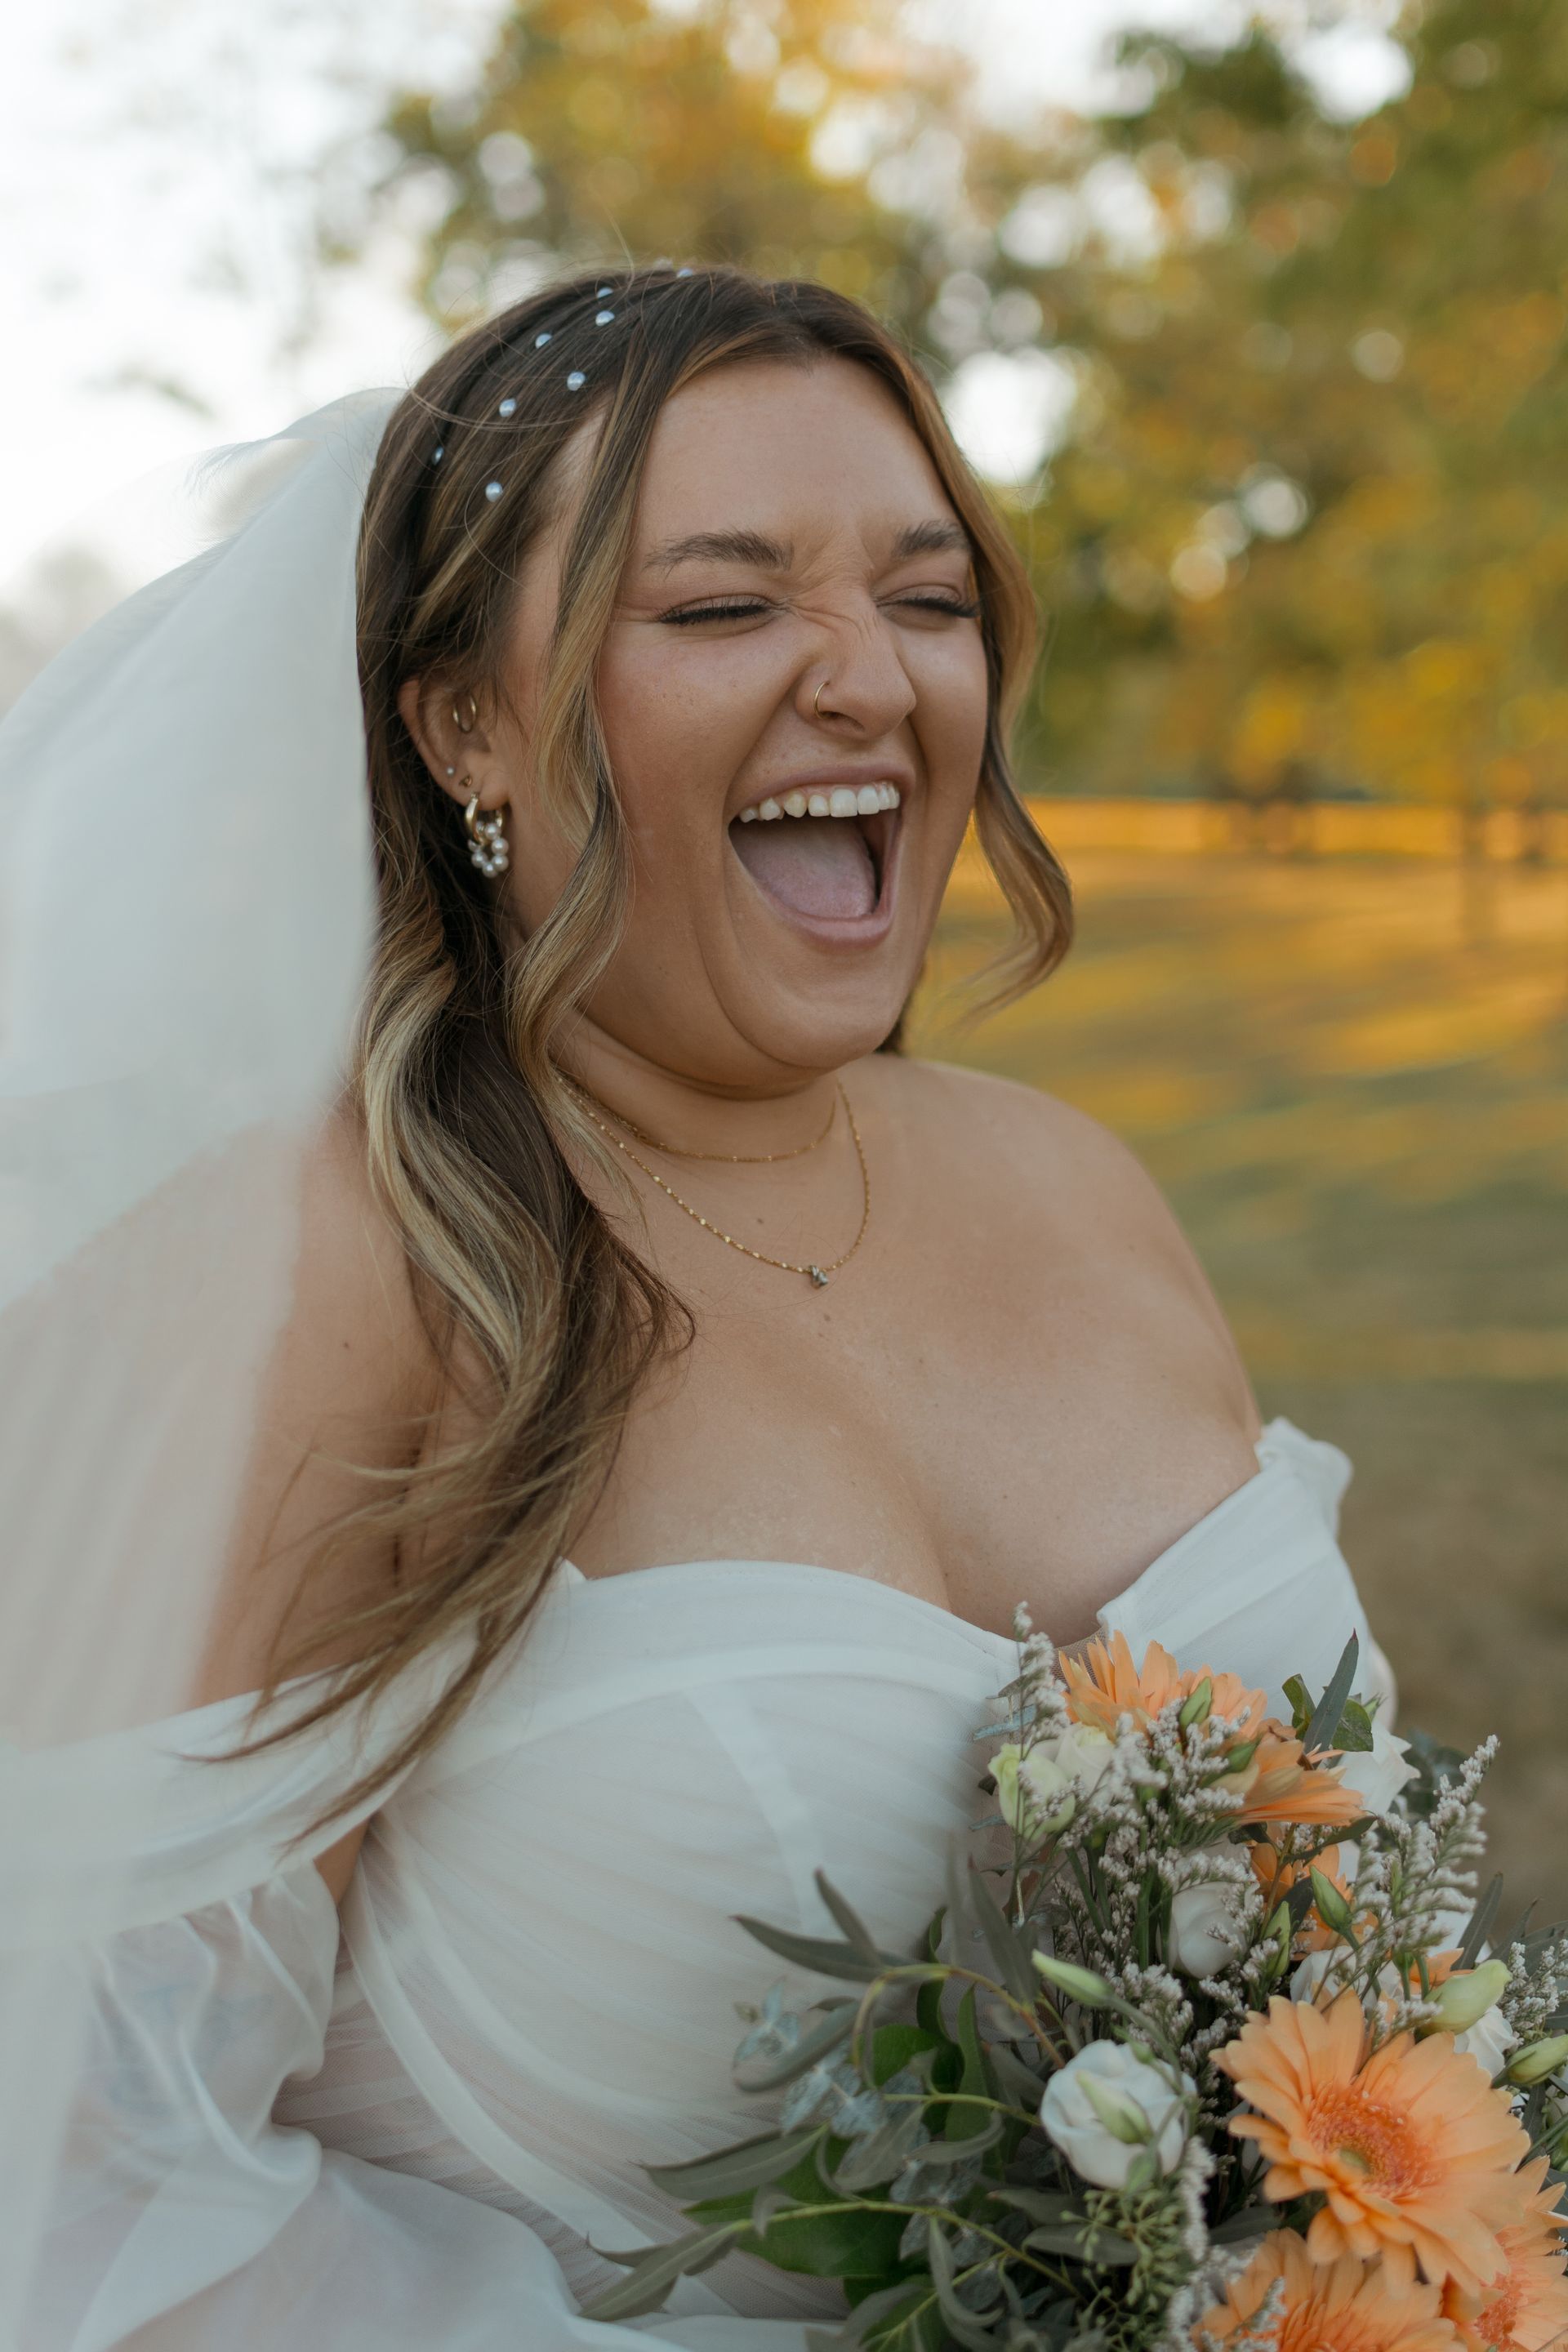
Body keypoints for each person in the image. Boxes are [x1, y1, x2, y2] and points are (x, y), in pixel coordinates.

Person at [3, 265, 1388, 2350]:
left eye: (926, 601)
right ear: (461, 716)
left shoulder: (1075, 1185)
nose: (864, 677)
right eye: (725, 607)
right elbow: (70, 2177)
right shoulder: (335, 1269)